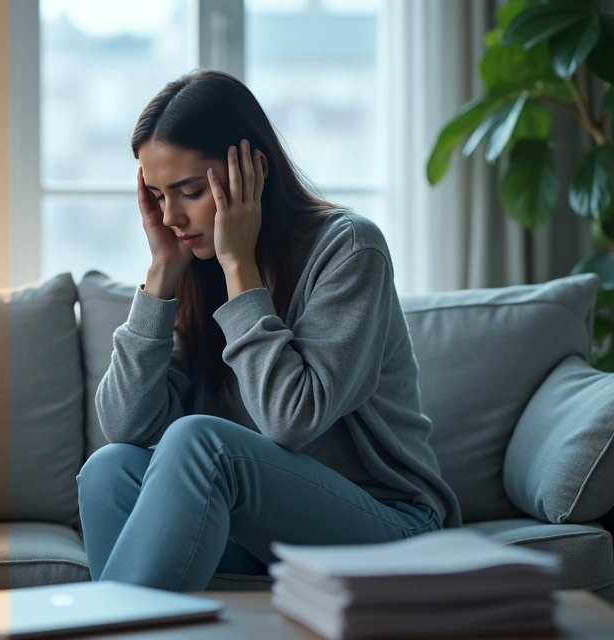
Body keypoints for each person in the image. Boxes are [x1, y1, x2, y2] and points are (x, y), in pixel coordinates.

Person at [77, 70, 460, 590]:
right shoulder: (191, 265)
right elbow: (126, 428)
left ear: (250, 171)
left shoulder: (349, 250)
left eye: (188, 191)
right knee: (109, 470)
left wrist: (241, 269)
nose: (171, 217)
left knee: (201, 441)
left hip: (387, 524)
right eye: (158, 195)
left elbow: (291, 420)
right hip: (259, 533)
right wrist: (161, 277)